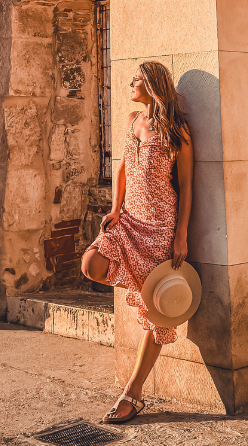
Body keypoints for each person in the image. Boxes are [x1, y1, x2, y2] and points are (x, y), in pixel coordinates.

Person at [81, 60, 194, 424]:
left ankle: (133, 394)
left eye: (137, 79)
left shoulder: (177, 131)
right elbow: (122, 168)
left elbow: (187, 186)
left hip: (160, 228)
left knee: (157, 313)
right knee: (91, 264)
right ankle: (137, 287)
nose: (131, 83)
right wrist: (115, 209)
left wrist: (181, 235)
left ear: (153, 85)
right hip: (129, 219)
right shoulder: (132, 121)